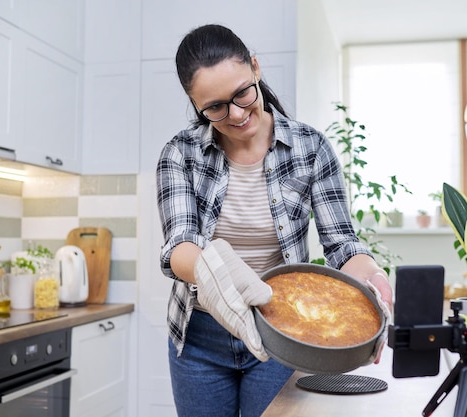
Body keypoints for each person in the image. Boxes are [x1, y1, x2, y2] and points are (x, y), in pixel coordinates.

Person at [156, 24, 393, 417]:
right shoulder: (179, 154)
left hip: (283, 332)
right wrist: (217, 271)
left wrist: (375, 282)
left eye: (242, 93)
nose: (236, 114)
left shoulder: (311, 147)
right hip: (199, 338)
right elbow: (180, 245)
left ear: (255, 67)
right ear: (194, 102)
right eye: (215, 107)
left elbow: (342, 245)